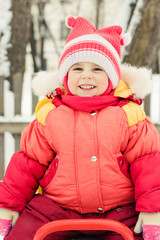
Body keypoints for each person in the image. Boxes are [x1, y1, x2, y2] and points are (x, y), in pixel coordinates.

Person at [0, 16, 160, 240]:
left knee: (138, 235)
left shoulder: (129, 116)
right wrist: (8, 206)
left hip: (120, 211)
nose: (87, 75)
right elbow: (28, 163)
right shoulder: (50, 116)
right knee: (26, 234)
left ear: (112, 77)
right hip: (56, 209)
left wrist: (153, 210)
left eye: (97, 69)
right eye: (77, 68)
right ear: (65, 77)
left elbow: (148, 164)